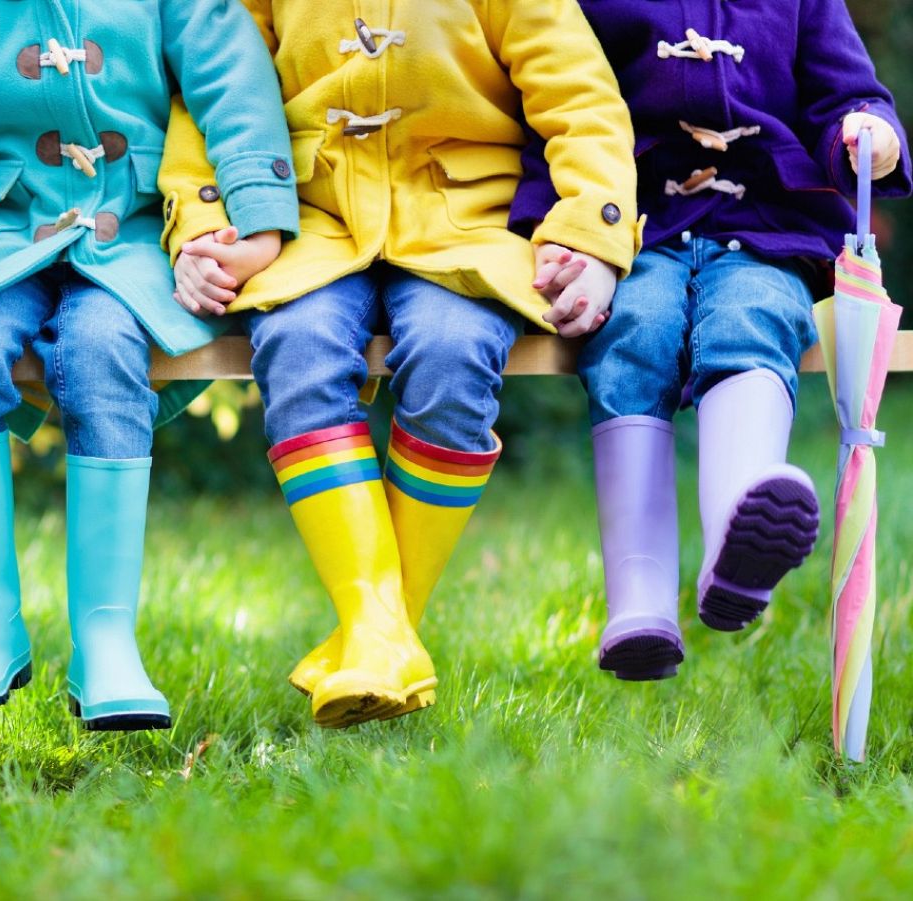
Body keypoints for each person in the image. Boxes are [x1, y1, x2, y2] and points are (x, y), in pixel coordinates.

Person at [161, 2, 640, 727]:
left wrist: (593, 233)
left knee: (454, 352)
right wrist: (202, 226)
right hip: (308, 219)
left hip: (463, 220)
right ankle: (380, 629)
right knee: (298, 345)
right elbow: (210, 86)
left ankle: (377, 635)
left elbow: (581, 99)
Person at [0, 0, 299, 730]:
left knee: (103, 349)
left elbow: (232, 87)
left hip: (133, 230)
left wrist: (253, 219)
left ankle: (107, 640)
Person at [513, 0, 910, 681]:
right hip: (635, 228)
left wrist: (869, 131)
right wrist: (558, 228)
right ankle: (639, 601)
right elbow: (560, 106)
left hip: (766, 226)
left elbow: (845, 93)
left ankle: (739, 534)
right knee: (633, 332)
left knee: (753, 317)